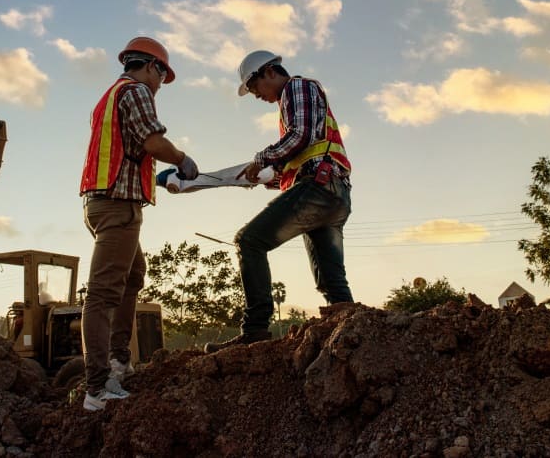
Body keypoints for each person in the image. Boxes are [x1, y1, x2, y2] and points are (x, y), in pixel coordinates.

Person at [205, 50, 353, 353]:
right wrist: (270, 178)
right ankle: (355, 334)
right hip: (330, 193)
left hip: (320, 189)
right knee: (331, 281)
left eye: (254, 86)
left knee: (249, 241)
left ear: (269, 72)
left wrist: (260, 159)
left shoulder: (296, 88)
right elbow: (304, 151)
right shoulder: (295, 99)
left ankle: (256, 329)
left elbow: (301, 136)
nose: (256, 95)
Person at [79, 36, 199, 410]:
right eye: (162, 75)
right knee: (103, 293)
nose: (161, 84)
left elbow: (130, 151)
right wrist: (181, 159)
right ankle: (98, 388)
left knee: (133, 276)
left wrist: (158, 177)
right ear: (151, 67)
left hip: (104, 201)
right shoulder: (136, 92)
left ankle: (118, 362)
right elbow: (152, 141)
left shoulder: (111, 96)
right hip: (118, 207)